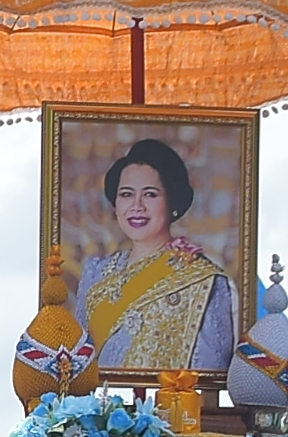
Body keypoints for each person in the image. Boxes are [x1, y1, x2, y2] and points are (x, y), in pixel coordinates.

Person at [72, 139, 241, 381]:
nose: (137, 206)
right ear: (116, 205)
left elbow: (210, 374)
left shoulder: (204, 281)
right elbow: (80, 362)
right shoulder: (95, 272)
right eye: (126, 194)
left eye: (150, 194)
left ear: (171, 201)